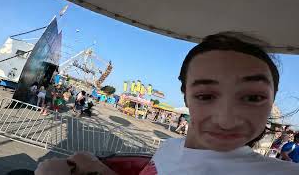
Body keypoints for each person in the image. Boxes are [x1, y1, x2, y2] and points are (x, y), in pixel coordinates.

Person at [35, 32, 299, 174]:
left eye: (253, 97)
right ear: (186, 95)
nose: (227, 119)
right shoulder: (171, 147)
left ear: (272, 100)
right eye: (206, 96)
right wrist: (92, 166)